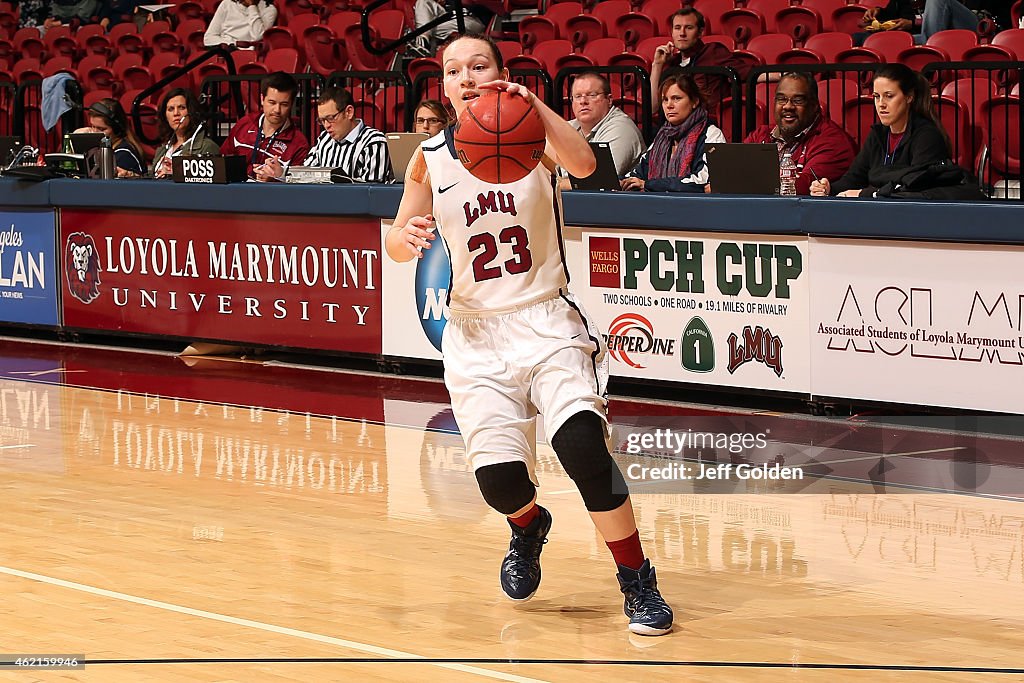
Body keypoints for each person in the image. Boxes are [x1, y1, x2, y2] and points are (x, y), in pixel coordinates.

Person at [385, 33, 674, 636]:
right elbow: (396, 233)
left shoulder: (535, 138)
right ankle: (527, 524)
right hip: (473, 334)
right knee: (499, 483)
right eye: (454, 70)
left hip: (545, 319)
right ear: (442, 85)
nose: (467, 77)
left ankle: (637, 579)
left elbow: (589, 164)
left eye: (480, 66)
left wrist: (535, 105)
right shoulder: (429, 156)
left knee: (583, 452)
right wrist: (403, 241)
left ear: (502, 71)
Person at [811, 64, 951, 197]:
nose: (881, 104)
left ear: (909, 97)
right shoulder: (878, 134)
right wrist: (829, 188)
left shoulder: (927, 136)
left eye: (889, 96)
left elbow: (915, 186)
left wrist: (865, 194)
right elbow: (854, 177)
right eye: (877, 96)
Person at [743, 72, 857, 195]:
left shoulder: (833, 142)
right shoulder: (760, 134)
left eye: (797, 101)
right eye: (781, 99)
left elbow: (803, 187)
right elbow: (733, 170)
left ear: (814, 106)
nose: (788, 106)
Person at [262, 86, 392, 183]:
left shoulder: (374, 143)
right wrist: (281, 173)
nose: (326, 125)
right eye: (322, 120)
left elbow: (373, 190)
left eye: (331, 118)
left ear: (349, 112)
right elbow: (306, 173)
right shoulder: (324, 139)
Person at [622, 73, 725, 193]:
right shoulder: (662, 136)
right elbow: (639, 172)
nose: (669, 105)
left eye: (677, 98)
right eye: (665, 100)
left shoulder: (711, 134)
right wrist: (623, 182)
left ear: (694, 102)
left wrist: (650, 185)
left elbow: (702, 181)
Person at [649, 8, 751, 122]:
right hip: (674, 127)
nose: (682, 33)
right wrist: (657, 65)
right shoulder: (671, 63)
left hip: (706, 125)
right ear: (672, 32)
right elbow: (652, 107)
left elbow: (751, 73)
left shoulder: (712, 52)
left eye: (689, 28)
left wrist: (774, 74)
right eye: (677, 28)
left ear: (700, 32)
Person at [559, 72, 645, 190]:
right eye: (578, 96)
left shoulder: (621, 129)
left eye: (592, 95)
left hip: (617, 204)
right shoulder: (568, 128)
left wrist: (554, 184)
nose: (583, 101)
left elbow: (598, 181)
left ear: (609, 100)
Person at [220, 72, 310, 181]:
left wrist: (275, 180)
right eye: (272, 102)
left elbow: (300, 186)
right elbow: (222, 161)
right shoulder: (244, 124)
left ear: (291, 104)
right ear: (262, 99)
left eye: (284, 104)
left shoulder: (299, 143)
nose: (277, 110)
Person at [151, 88, 221, 179]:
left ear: (192, 112)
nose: (176, 113)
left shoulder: (207, 147)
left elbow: (211, 183)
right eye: (170, 109)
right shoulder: (162, 150)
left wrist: (176, 173)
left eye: (182, 108)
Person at [86, 98, 145, 178]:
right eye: (92, 126)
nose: (94, 132)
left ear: (117, 129)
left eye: (102, 129)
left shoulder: (124, 155)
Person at [411, 0, 487, 56]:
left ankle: (421, 43)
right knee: (423, 1)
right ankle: (423, 42)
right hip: (447, 17)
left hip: (470, 18)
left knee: (427, 27)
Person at [203, 0, 277, 48]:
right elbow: (208, 38)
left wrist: (252, 7)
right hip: (226, 49)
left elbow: (258, 36)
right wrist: (233, 44)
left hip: (246, 51)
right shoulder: (227, 4)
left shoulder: (269, 10)